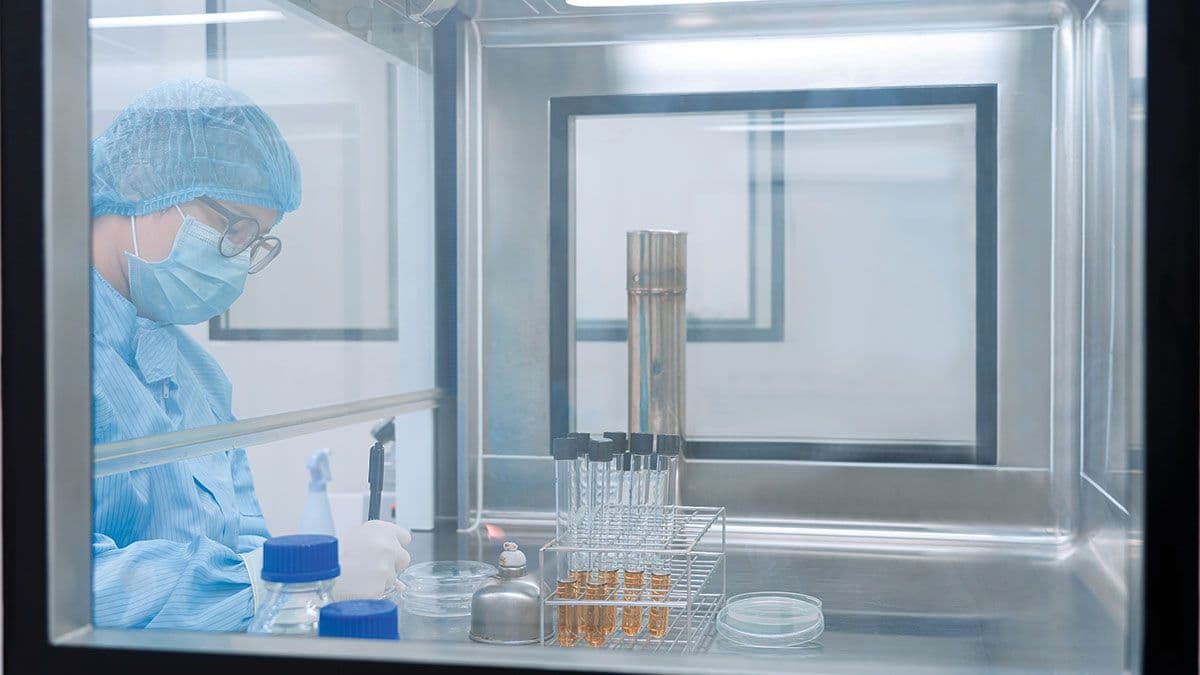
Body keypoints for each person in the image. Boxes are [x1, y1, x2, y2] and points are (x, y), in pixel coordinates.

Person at [89, 78, 411, 631]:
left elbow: (242, 537)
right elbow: (56, 581)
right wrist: (283, 580)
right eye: (229, 226)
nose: (236, 259)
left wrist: (291, 582)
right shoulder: (39, 356)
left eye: (255, 240)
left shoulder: (200, 377)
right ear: (137, 181)